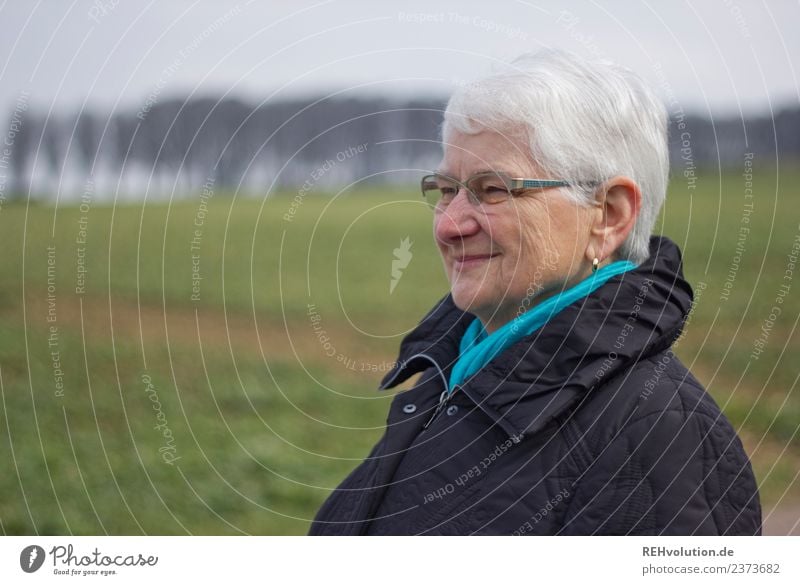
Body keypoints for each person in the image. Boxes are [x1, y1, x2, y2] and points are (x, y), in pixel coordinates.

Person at [309, 49, 761, 535]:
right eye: (445, 190)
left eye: (494, 189)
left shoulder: (660, 440)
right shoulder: (460, 369)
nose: (450, 225)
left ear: (608, 215)